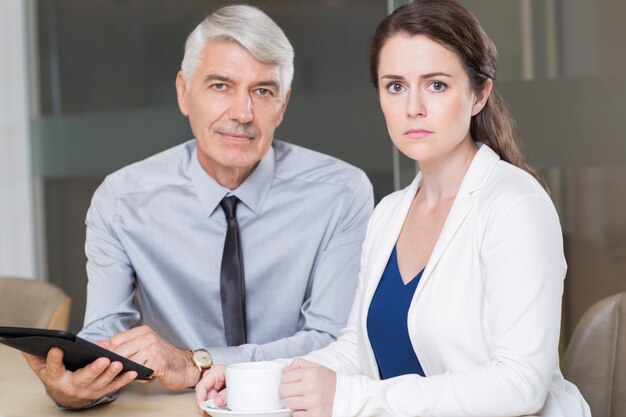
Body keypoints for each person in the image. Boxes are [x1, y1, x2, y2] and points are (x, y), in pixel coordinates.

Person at [195, 1, 591, 416]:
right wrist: (249, 376)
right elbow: (356, 350)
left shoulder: (515, 205)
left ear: (479, 95)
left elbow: (520, 385)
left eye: (436, 85)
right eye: (395, 86)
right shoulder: (390, 212)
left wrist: (349, 400)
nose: (412, 107)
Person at [22, 4, 373, 409]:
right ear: (183, 92)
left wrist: (197, 363)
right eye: (220, 85)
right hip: (173, 408)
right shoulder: (121, 201)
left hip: (294, 406)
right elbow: (106, 336)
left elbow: (333, 342)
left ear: (284, 103)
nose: (242, 114)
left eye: (263, 91)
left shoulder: (341, 193)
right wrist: (80, 387)